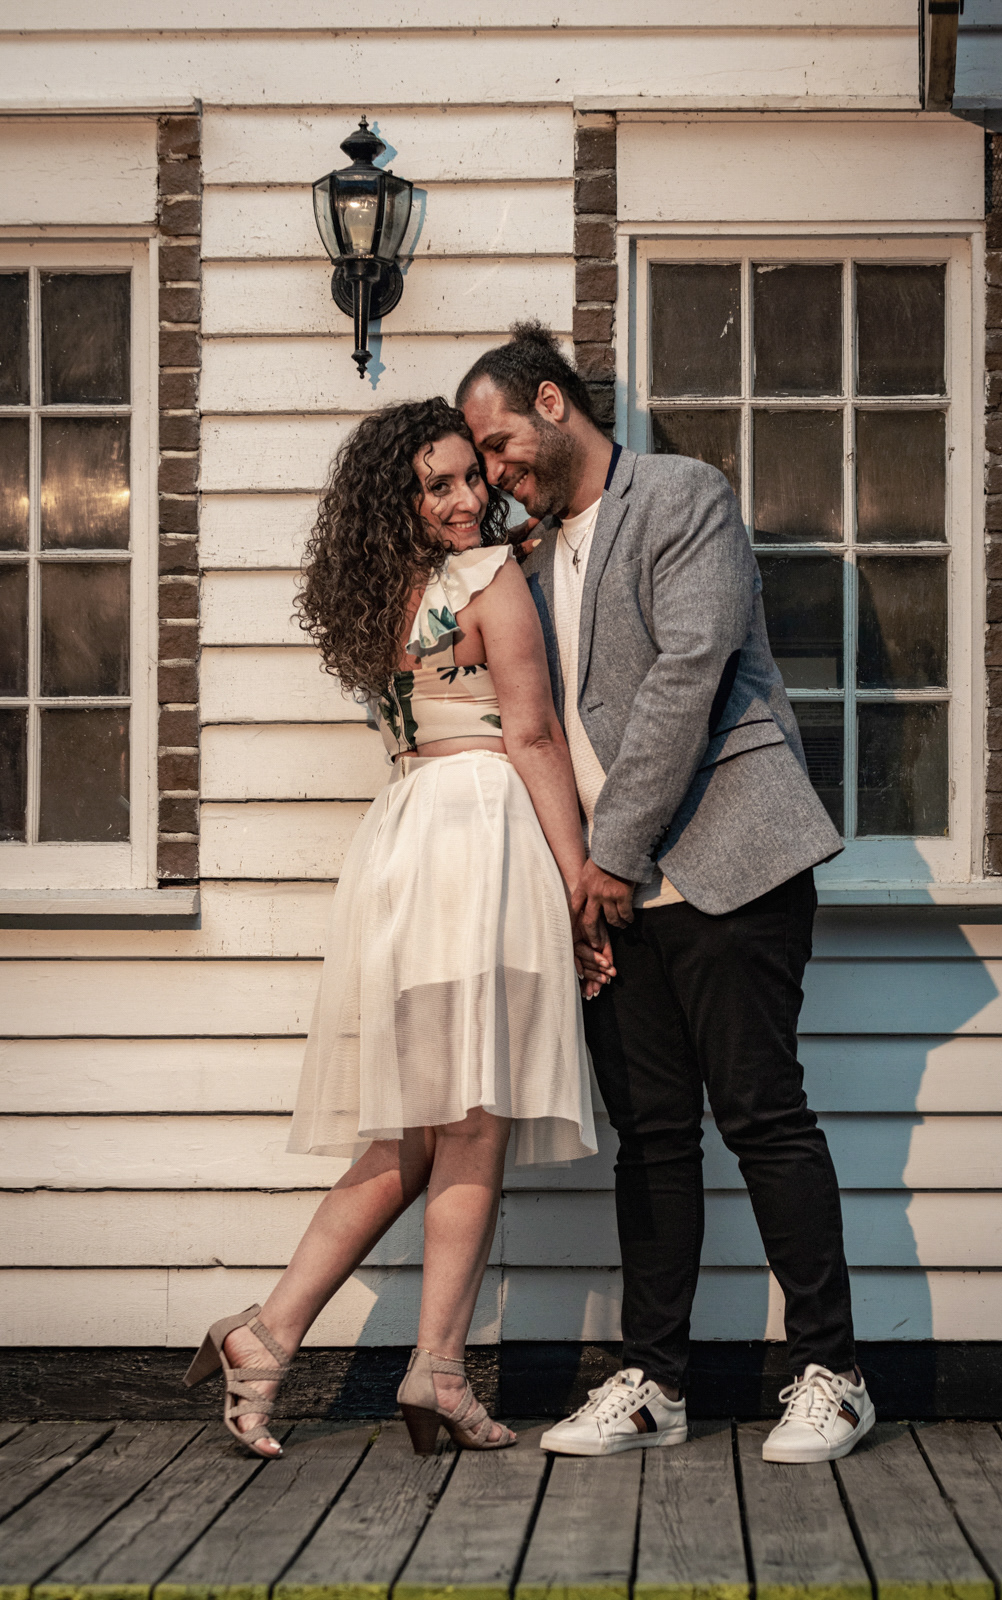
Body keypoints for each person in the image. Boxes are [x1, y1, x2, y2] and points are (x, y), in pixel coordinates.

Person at [458, 324, 876, 1464]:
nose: (493, 473)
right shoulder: (528, 562)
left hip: (724, 861)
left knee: (762, 1116)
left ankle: (834, 1374)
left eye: (497, 444)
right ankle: (655, 1384)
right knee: (648, 1141)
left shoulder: (683, 495)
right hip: (613, 896)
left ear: (552, 401)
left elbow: (688, 675)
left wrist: (610, 857)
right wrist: (578, 885)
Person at [184, 398, 606, 1459]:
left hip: (405, 835)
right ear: (400, 501)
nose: (466, 499)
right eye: (439, 485)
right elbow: (532, 734)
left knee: (415, 1132)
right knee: (474, 1120)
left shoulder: (379, 593)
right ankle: (438, 1371)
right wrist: (579, 886)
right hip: (479, 833)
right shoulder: (488, 579)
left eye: (471, 477)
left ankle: (266, 1337)